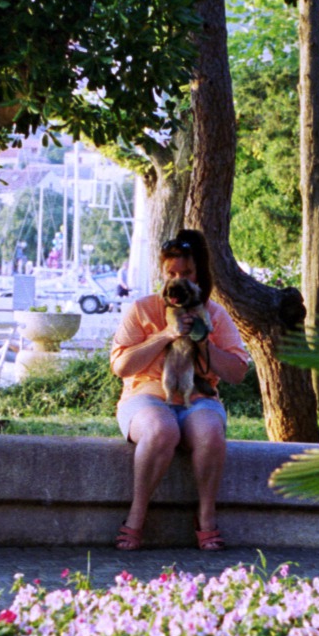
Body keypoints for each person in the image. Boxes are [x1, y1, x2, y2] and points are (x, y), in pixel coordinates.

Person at [109, 229, 250, 551]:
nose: (178, 280)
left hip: (198, 399)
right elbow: (121, 366)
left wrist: (203, 344)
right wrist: (165, 335)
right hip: (146, 397)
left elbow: (238, 372)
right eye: (172, 273)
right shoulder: (142, 309)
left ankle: (205, 518)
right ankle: (136, 517)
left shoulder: (214, 314)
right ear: (163, 273)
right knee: (161, 430)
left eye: (186, 273)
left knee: (210, 432)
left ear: (198, 273)